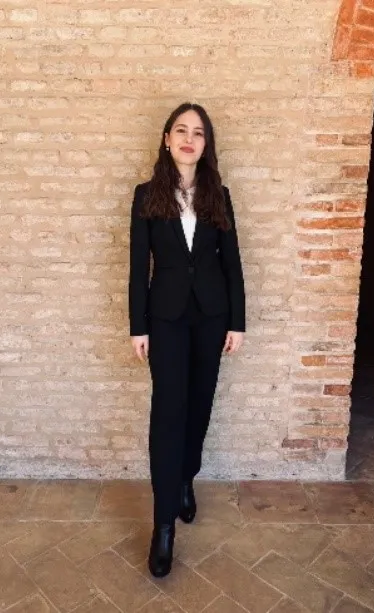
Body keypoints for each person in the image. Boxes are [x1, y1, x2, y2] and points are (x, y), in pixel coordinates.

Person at [128, 102, 246, 578]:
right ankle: (163, 526)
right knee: (168, 412)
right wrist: (138, 325)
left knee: (199, 405)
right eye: (181, 130)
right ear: (167, 139)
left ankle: (185, 478)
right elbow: (139, 266)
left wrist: (237, 322)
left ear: (205, 143)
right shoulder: (146, 195)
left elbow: (232, 263)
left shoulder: (219, 194)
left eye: (198, 132)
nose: (189, 138)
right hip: (166, 320)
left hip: (212, 317)